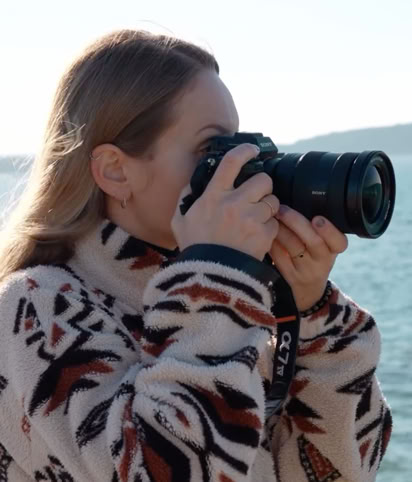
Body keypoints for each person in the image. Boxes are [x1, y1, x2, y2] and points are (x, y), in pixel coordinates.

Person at [0, 29, 391, 481]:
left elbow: (338, 472)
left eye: (241, 146)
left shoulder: (225, 304)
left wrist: (313, 314)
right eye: (212, 149)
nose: (244, 171)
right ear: (116, 171)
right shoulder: (35, 306)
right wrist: (213, 280)